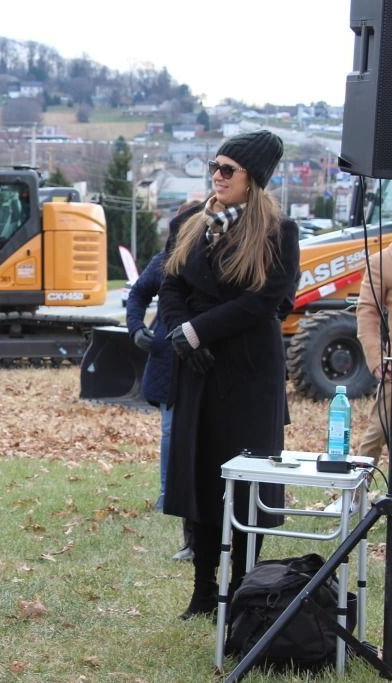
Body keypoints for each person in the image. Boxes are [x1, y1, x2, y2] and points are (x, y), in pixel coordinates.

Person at [158, 129, 298, 620]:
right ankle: (202, 590)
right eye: (214, 167)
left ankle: (242, 588)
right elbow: (170, 283)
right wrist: (179, 334)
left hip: (249, 376)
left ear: (252, 179)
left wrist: (197, 331)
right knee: (200, 476)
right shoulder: (190, 224)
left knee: (247, 485)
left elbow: (265, 301)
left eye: (227, 170)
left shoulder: (280, 231)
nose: (216, 177)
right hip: (197, 371)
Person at [124, 209, 195, 561]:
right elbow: (137, 294)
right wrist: (136, 328)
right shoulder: (165, 259)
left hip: (204, 357)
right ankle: (169, 494)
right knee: (171, 430)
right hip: (169, 357)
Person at [353, 243, 392, 509]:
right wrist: (377, 360)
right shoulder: (382, 261)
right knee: (377, 431)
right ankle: (355, 497)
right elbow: (367, 311)